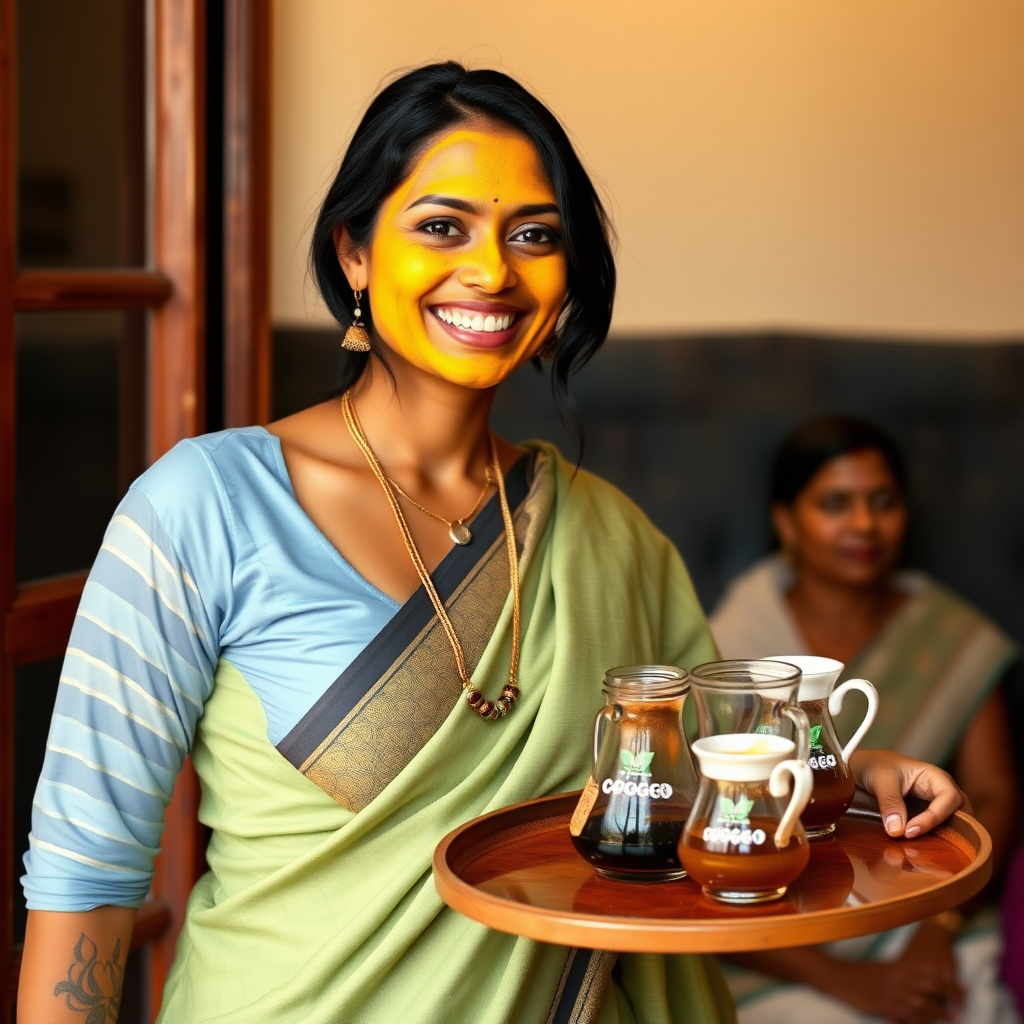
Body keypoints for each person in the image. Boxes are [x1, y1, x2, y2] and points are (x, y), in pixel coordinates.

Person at [18, 67, 965, 1024]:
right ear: (353, 251)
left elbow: (710, 779)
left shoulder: (610, 536)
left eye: (535, 235)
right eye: (441, 226)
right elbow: (86, 874)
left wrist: (855, 777)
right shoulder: (205, 505)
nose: (492, 270)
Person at [711, 415, 1020, 1024]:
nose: (864, 524)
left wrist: (941, 926)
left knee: (976, 1000)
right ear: (786, 522)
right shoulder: (734, 643)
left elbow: (995, 794)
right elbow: (712, 825)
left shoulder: (949, 634)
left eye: (883, 502)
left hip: (921, 906)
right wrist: (846, 980)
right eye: (835, 503)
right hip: (771, 928)